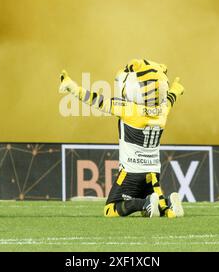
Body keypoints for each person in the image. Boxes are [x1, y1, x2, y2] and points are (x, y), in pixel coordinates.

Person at [59, 59, 185, 218]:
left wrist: (72, 87)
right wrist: (176, 89)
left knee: (110, 209)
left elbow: (97, 100)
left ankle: (144, 204)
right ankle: (168, 203)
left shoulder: (129, 110)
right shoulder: (163, 110)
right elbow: (170, 98)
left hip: (132, 172)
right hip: (154, 172)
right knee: (154, 203)